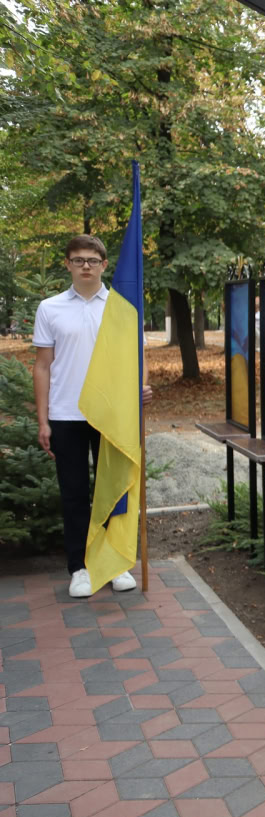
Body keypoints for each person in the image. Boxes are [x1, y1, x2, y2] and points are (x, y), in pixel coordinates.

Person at [33, 235, 152, 599]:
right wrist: (43, 420)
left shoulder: (120, 307)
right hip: (66, 413)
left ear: (104, 265)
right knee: (74, 494)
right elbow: (41, 367)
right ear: (68, 264)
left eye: (93, 260)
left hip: (112, 413)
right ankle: (80, 568)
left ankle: (116, 564)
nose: (86, 265)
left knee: (115, 490)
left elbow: (138, 357)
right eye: (78, 259)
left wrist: (141, 389)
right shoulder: (50, 308)